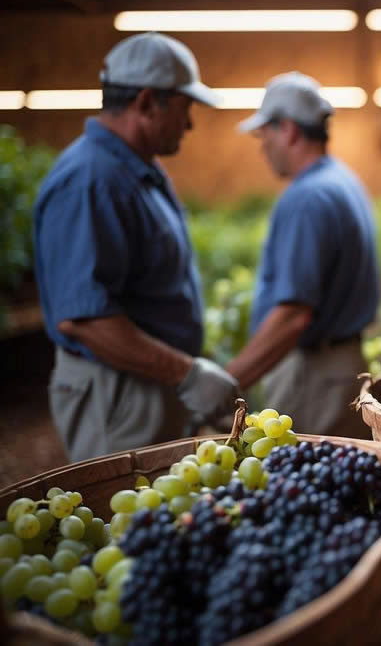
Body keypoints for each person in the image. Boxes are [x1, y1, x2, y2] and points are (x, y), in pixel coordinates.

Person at [34, 32, 239, 462]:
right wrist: (187, 374)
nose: (190, 124)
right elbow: (84, 319)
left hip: (149, 380)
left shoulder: (135, 170)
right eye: (186, 109)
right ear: (148, 103)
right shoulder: (90, 179)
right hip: (119, 392)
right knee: (125, 517)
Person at [225, 72, 379, 438]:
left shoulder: (308, 197)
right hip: (339, 368)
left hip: (314, 377)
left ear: (289, 130)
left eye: (264, 134)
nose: (262, 146)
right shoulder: (342, 180)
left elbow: (293, 315)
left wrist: (227, 382)